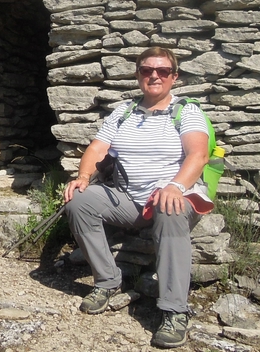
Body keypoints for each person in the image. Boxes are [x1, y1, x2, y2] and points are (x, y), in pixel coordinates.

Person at [62, 46, 211, 349]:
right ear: (138, 75)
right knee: (79, 201)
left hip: (171, 195)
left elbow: (199, 155)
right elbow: (97, 149)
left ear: (174, 77)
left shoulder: (186, 110)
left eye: (163, 71)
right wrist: (83, 177)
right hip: (126, 197)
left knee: (170, 211)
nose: (154, 76)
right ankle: (107, 281)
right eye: (147, 70)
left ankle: (174, 311)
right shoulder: (124, 111)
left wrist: (175, 187)